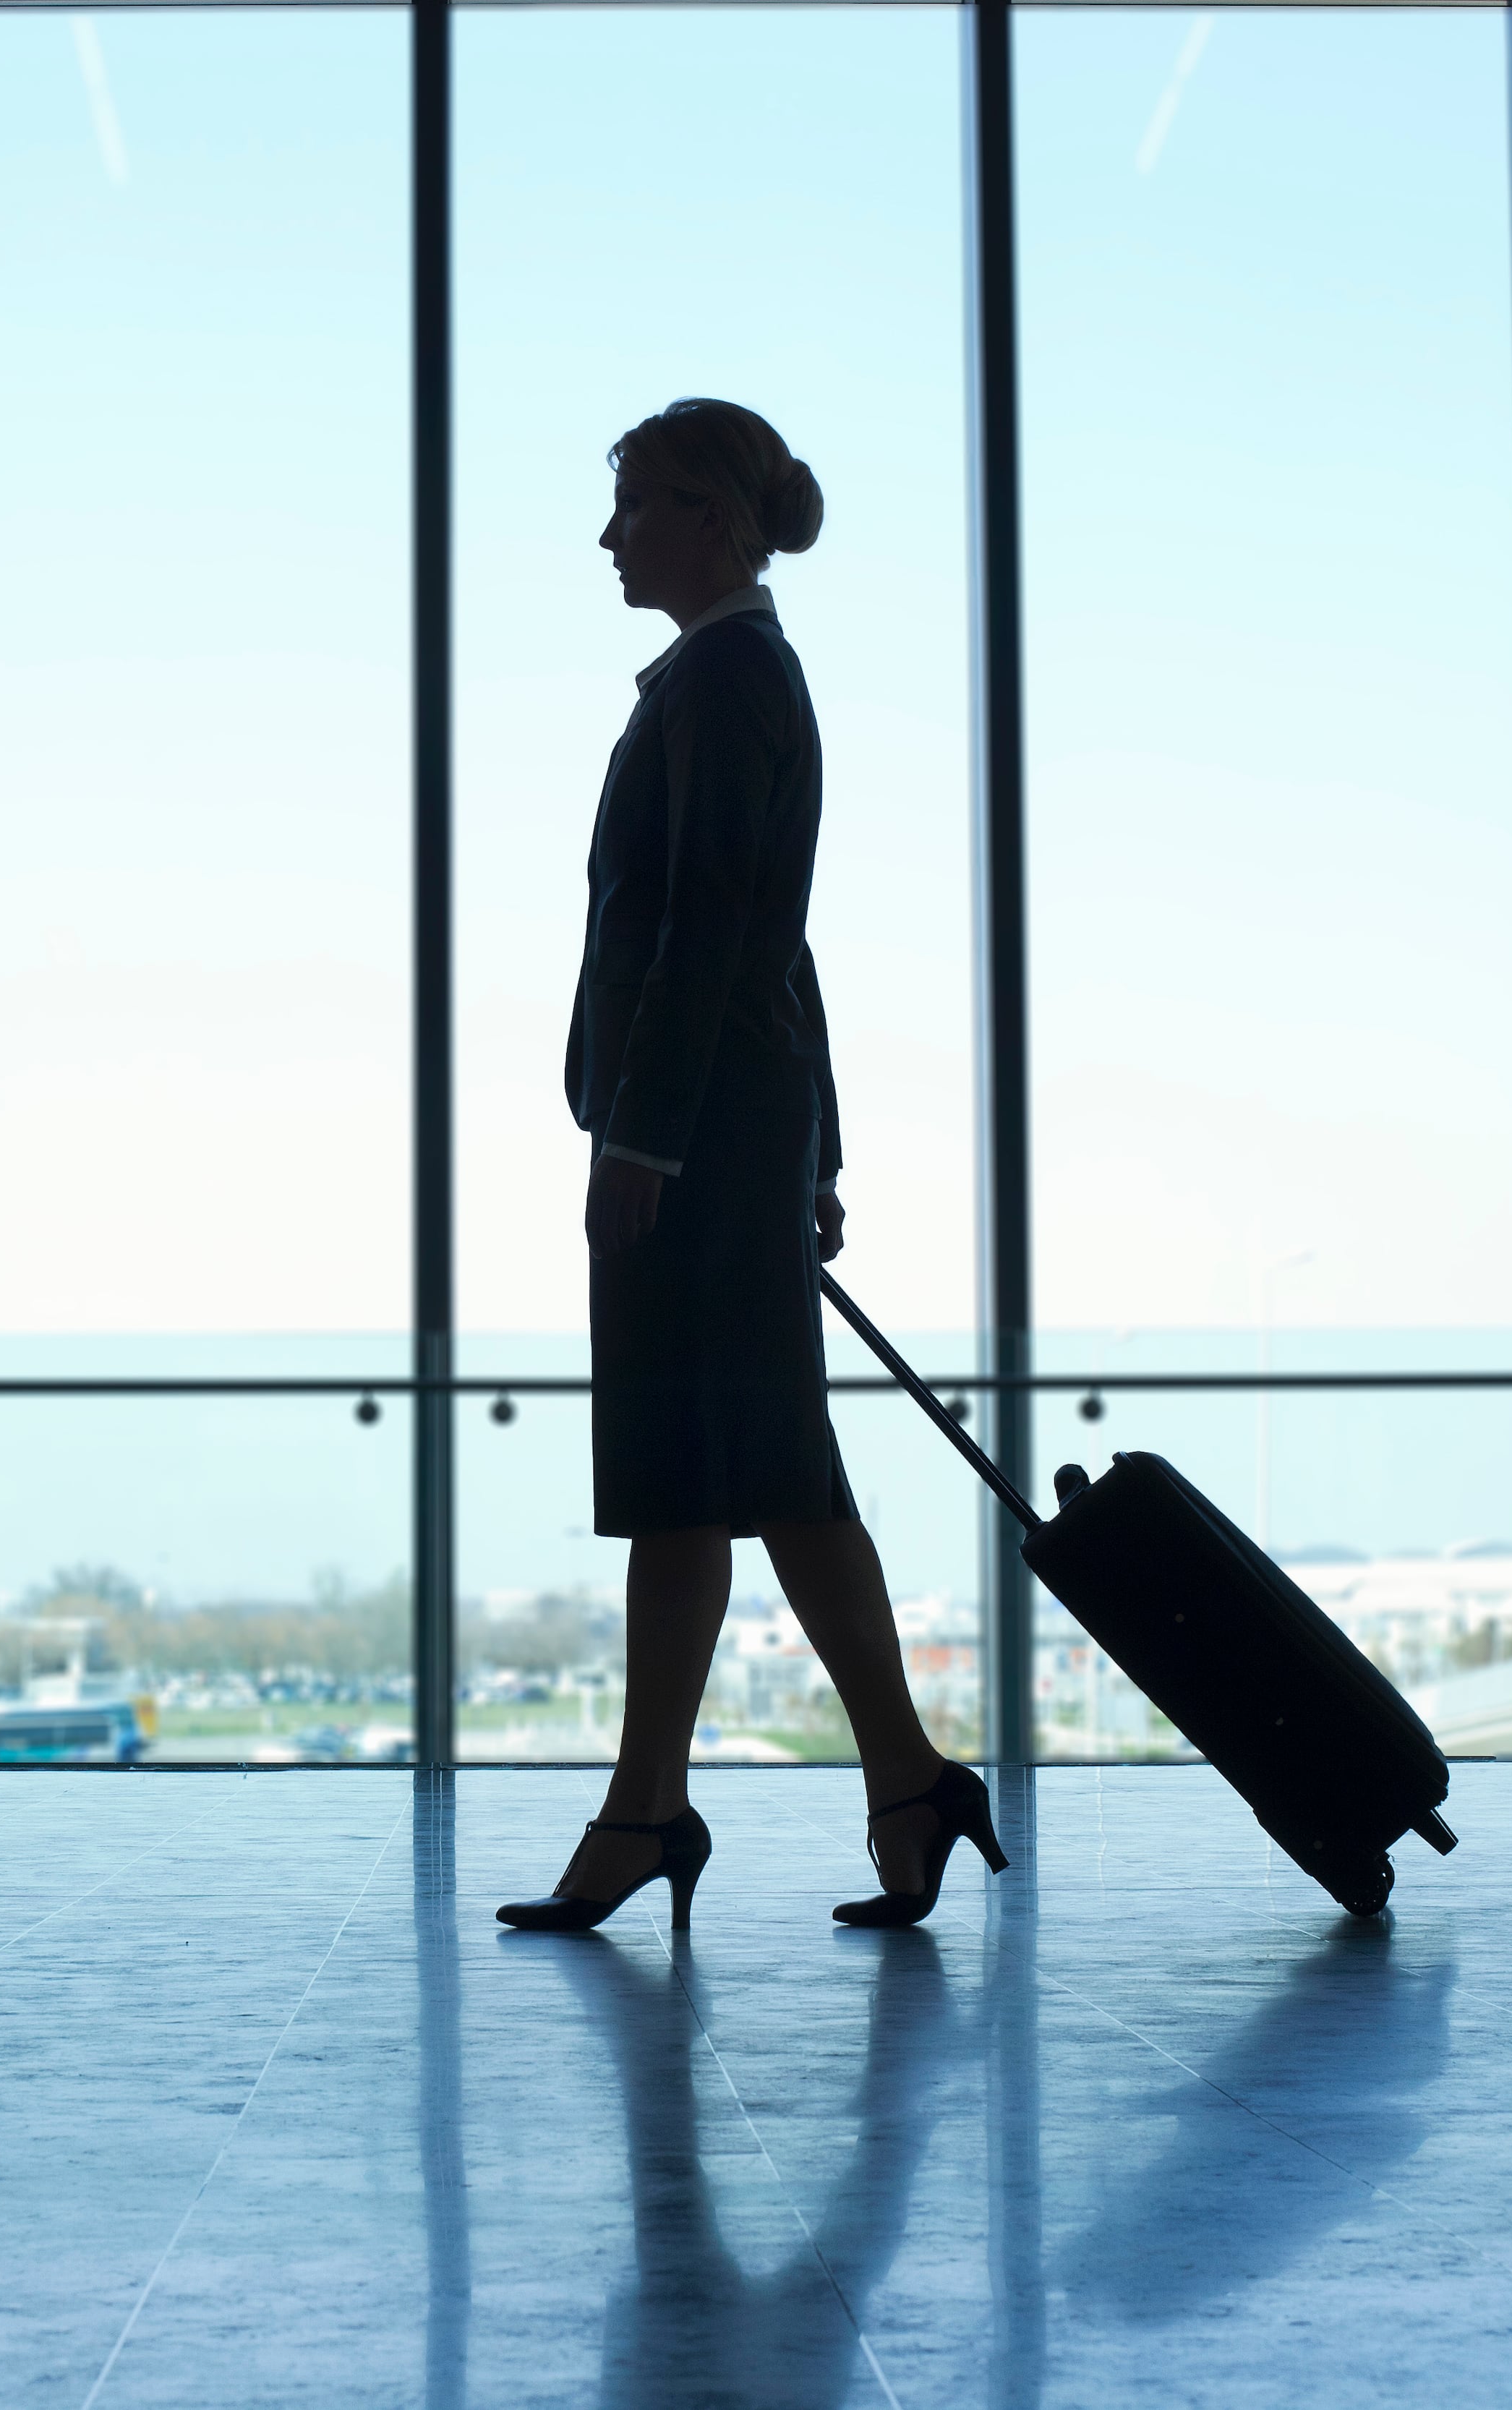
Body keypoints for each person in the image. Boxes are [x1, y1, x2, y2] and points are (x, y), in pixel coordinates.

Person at [497, 399, 1007, 1935]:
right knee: (738, 1476)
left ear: (714, 516)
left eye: (636, 502)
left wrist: (642, 1133)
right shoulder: (732, 676)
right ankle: (858, 1784)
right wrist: (814, 1147)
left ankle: (667, 1808)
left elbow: (714, 931)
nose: (609, 535)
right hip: (736, 1128)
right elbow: (778, 944)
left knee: (722, 1473)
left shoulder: (721, 682)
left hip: (696, 1139)